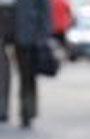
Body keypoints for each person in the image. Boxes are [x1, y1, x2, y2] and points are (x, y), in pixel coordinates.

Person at [0, 0, 51, 129]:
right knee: (2, 71)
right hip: (3, 25)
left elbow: (44, 9)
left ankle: (27, 111)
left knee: (27, 74)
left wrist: (42, 36)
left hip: (26, 30)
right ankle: (2, 109)